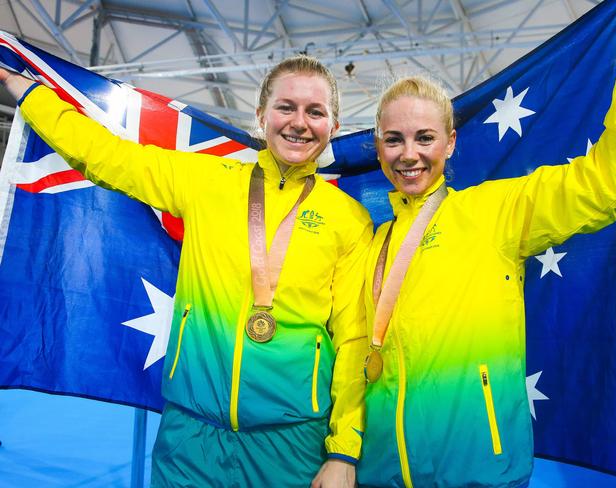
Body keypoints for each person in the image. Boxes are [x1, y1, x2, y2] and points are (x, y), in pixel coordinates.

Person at [0, 54, 372, 487]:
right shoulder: (206, 180)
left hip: (290, 444)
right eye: (285, 107)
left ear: (334, 126)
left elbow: (354, 342)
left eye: (315, 112)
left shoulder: (348, 219)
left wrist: (344, 450)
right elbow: (105, 156)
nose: (299, 122)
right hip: (190, 437)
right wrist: (23, 90)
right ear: (261, 115)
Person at [357, 2, 616, 487]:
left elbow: (609, 180)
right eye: (394, 139)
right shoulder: (369, 247)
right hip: (381, 474)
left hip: (480, 473)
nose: (409, 154)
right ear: (378, 146)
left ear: (451, 143)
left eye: (424, 138)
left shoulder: (496, 213)